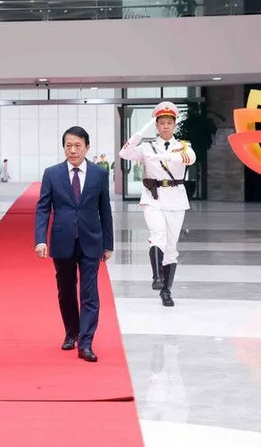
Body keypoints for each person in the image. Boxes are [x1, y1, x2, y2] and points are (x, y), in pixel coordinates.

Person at [34, 126, 113, 363]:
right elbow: (42, 208)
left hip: (91, 240)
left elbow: (105, 210)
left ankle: (86, 343)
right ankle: (72, 332)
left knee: (90, 293)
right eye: (68, 146)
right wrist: (40, 239)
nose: (73, 150)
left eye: (78, 145)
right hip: (62, 240)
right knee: (66, 290)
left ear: (87, 147)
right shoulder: (52, 174)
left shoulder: (99, 173)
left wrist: (108, 244)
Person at [118, 101, 195, 307]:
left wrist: (162, 156)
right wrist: (141, 132)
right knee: (157, 234)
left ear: (174, 124)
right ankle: (157, 277)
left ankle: (166, 291)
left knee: (171, 247)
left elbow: (189, 159)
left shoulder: (183, 146)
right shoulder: (146, 147)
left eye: (169, 122)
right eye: (161, 123)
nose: (166, 126)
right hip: (153, 198)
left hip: (176, 200)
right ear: (156, 125)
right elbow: (124, 153)